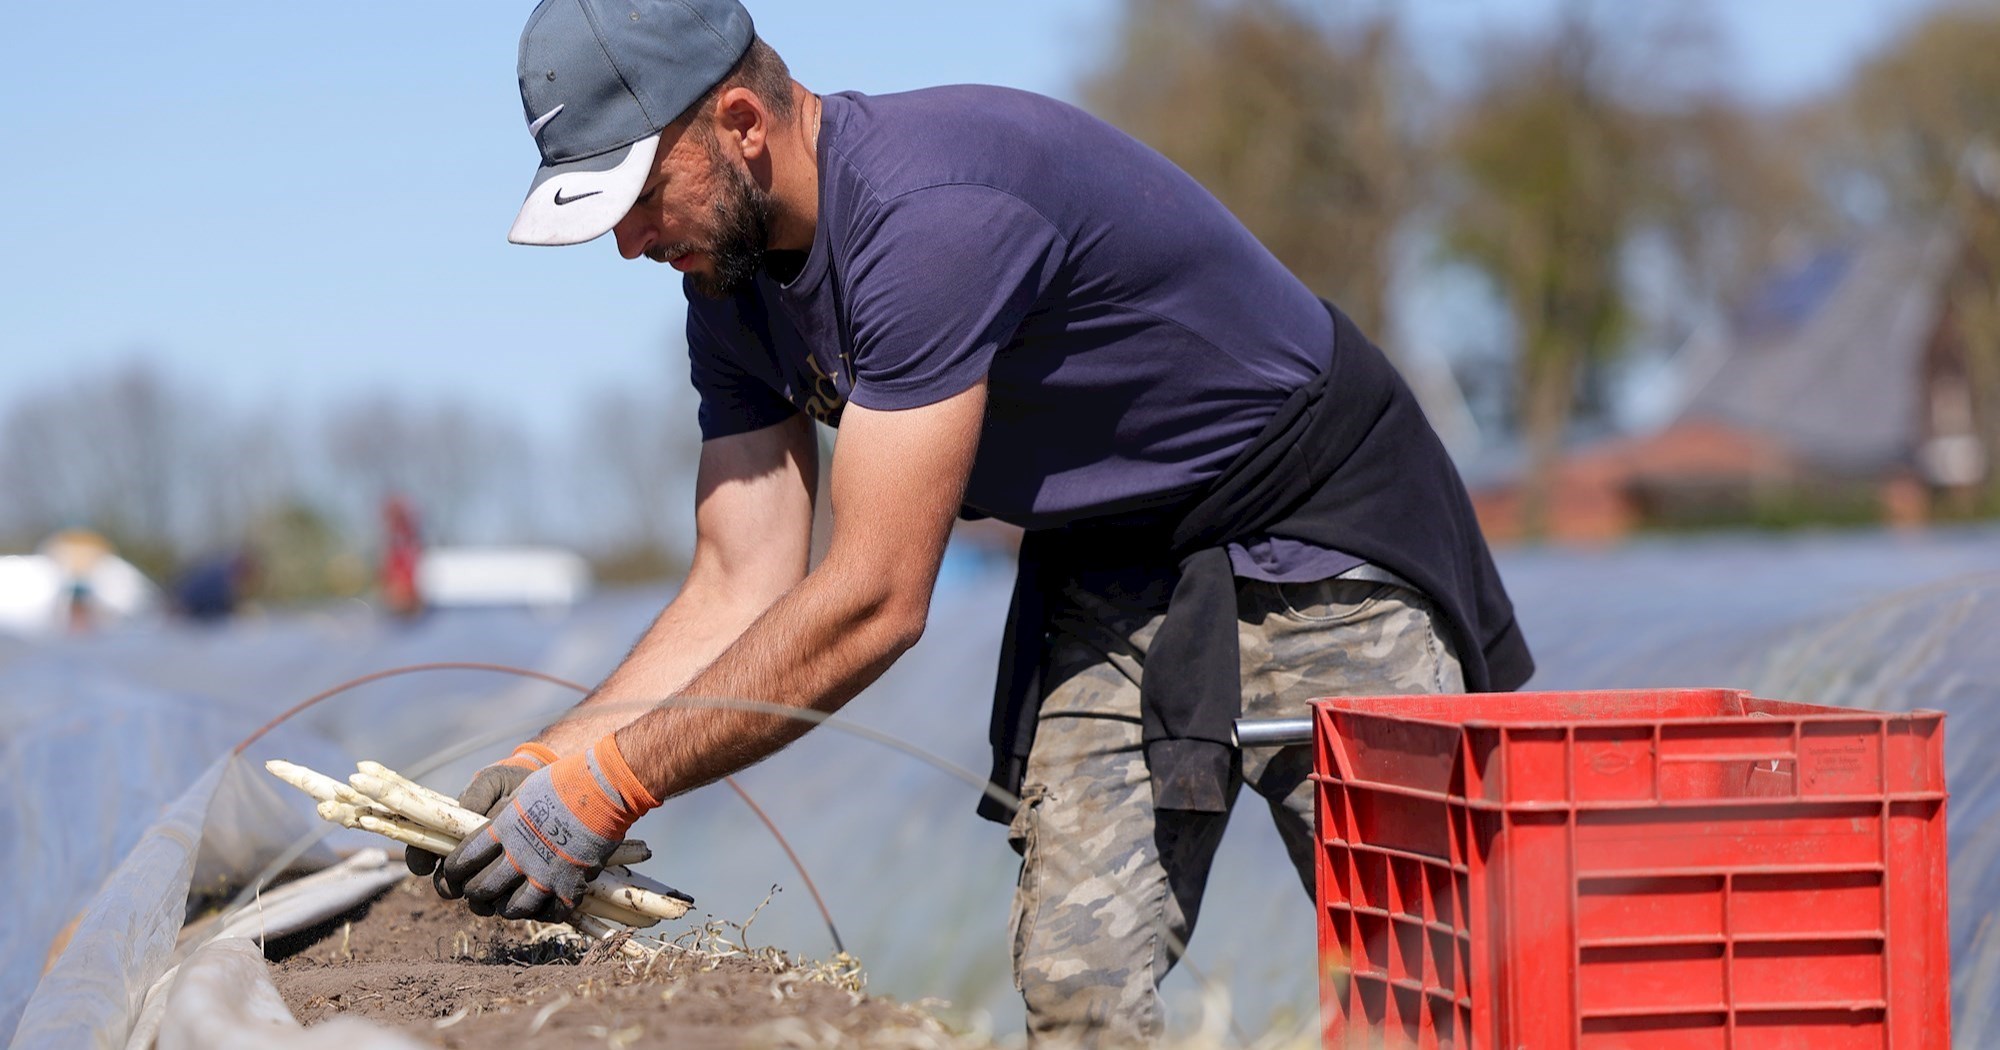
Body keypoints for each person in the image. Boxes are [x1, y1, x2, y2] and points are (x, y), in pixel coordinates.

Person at [415, 1, 1533, 1044]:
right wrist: (550, 760)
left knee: (1428, 975)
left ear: (740, 123)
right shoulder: (728, 294)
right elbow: (736, 578)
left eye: (641, 196)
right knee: (1077, 979)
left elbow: (873, 600)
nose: (629, 243)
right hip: (1112, 560)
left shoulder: (927, 218)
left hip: (1311, 527)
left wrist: (613, 784)